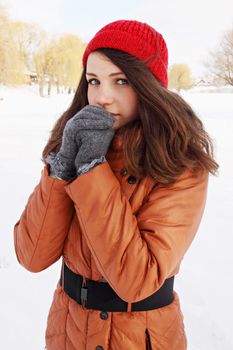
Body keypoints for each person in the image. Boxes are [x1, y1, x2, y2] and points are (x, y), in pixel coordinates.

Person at [13, 19, 219, 350]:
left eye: (121, 80)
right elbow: (31, 254)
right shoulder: (77, 146)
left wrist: (93, 170)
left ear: (149, 85)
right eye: (94, 81)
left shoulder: (180, 163)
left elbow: (136, 279)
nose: (102, 97)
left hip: (139, 339)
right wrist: (64, 165)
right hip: (67, 333)